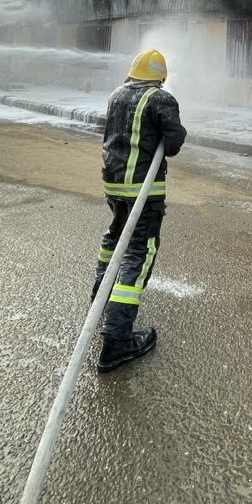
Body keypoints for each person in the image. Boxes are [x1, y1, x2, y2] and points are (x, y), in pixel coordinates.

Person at [91, 49, 187, 373]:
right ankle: (116, 339)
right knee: (138, 253)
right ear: (159, 77)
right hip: (142, 192)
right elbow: (173, 143)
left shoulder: (117, 94)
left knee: (114, 239)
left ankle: (101, 301)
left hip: (114, 186)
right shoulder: (160, 98)